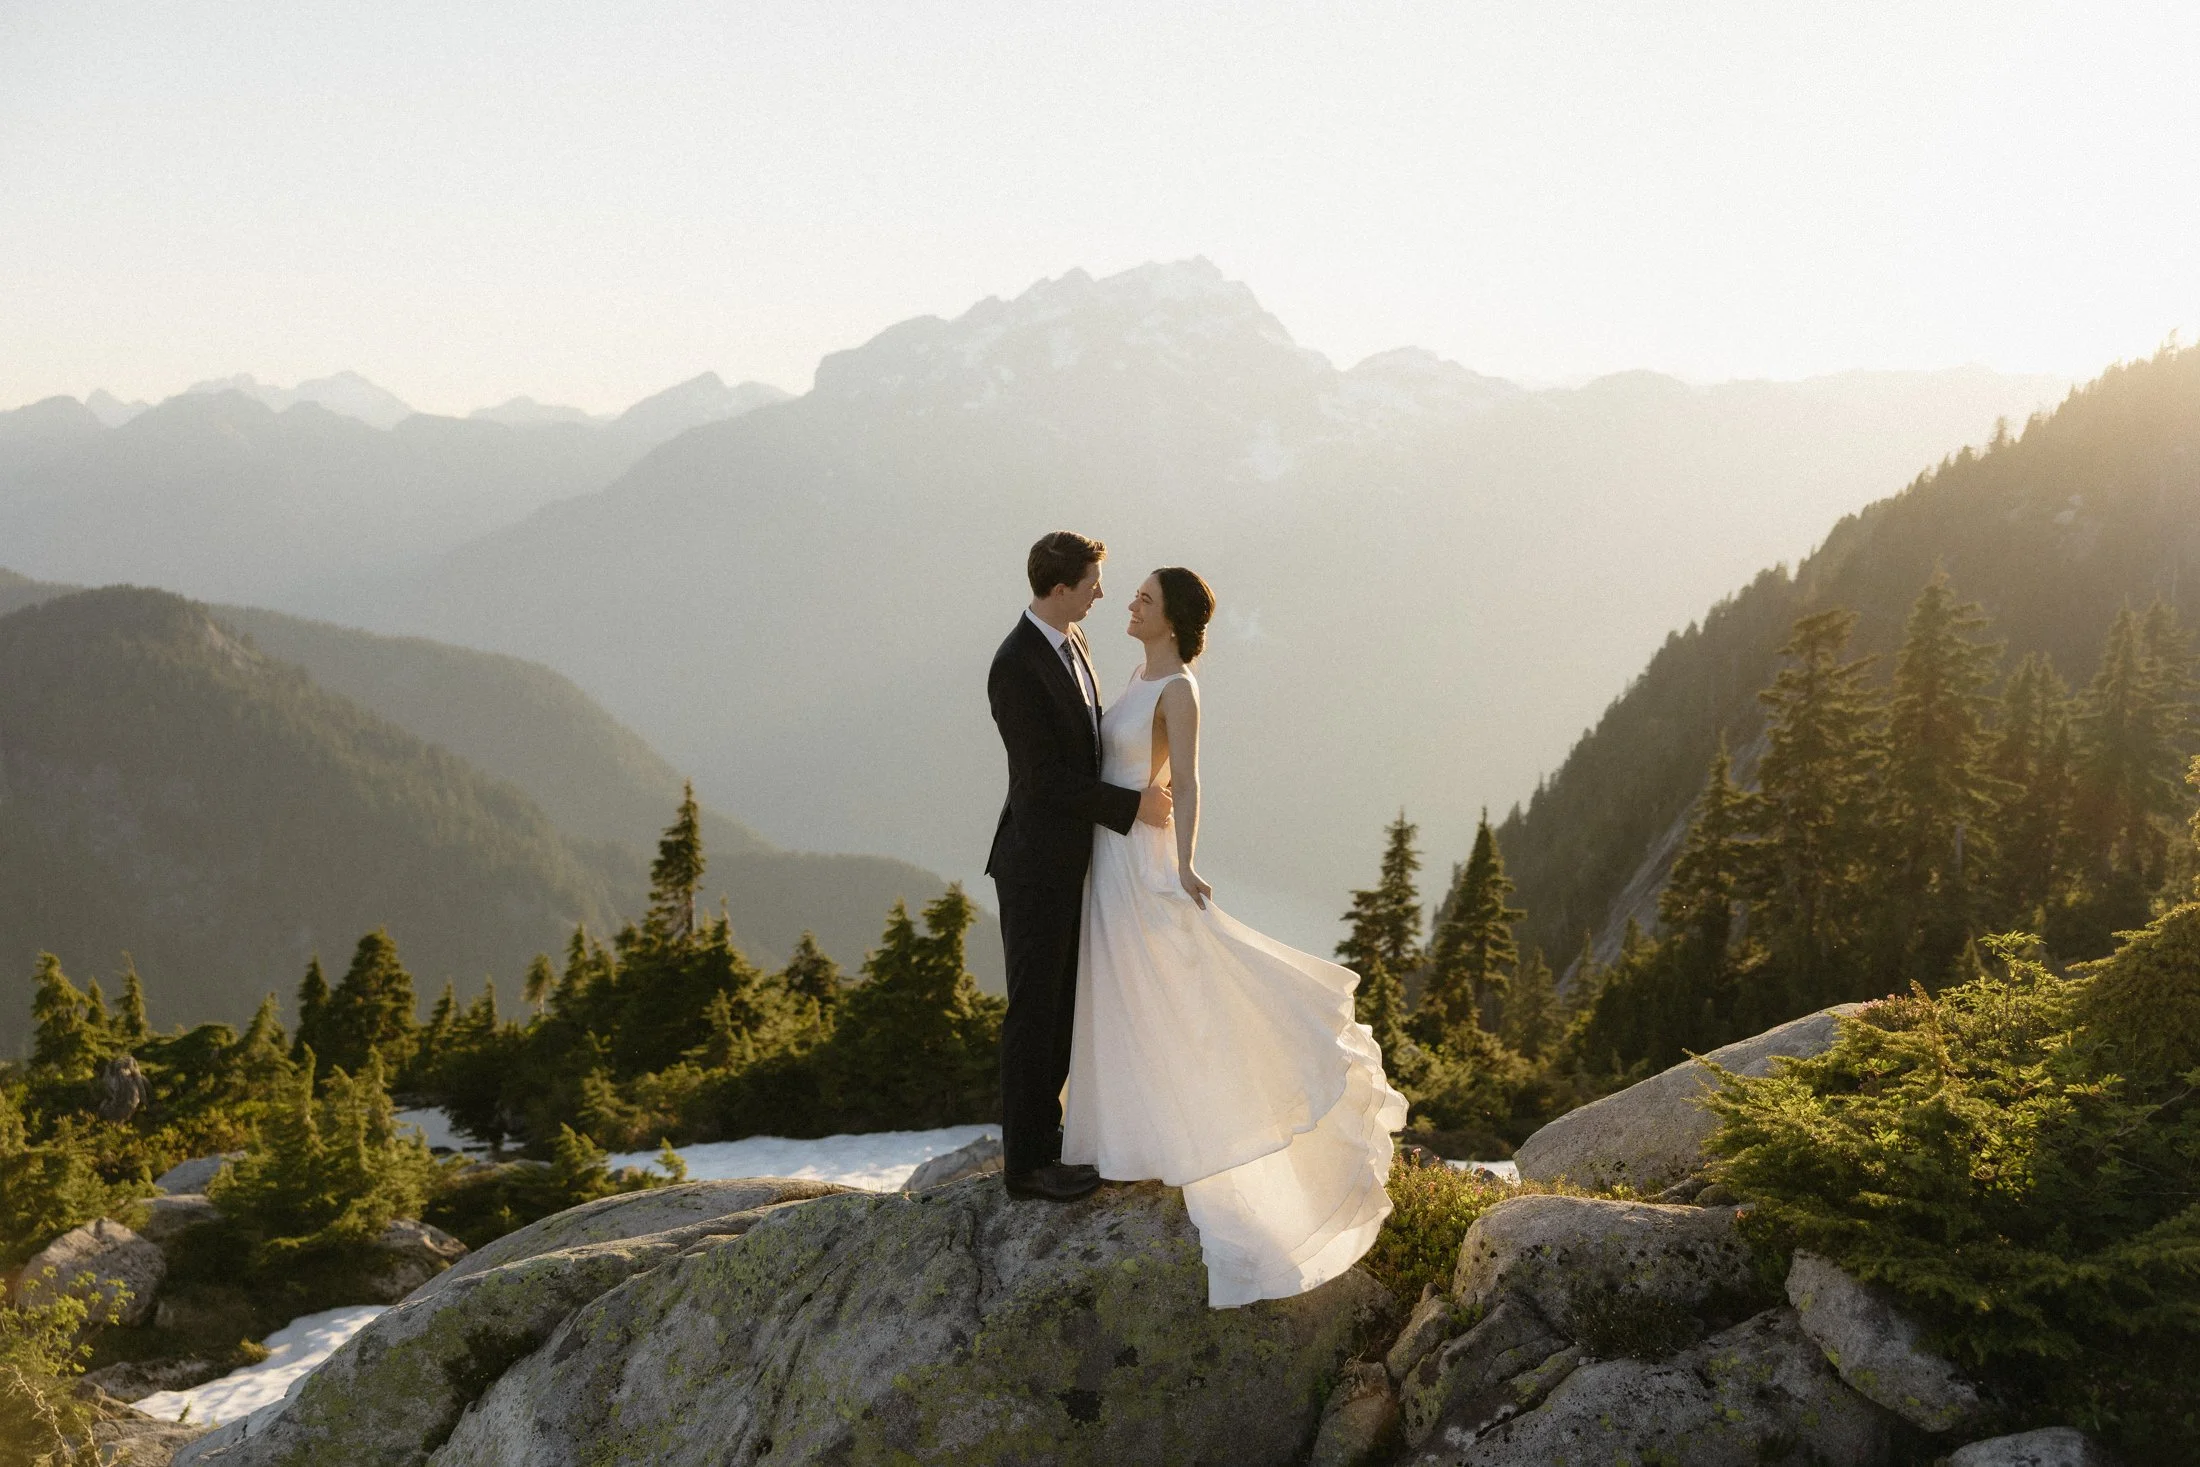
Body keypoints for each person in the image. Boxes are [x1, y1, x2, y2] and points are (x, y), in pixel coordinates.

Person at [1058, 565, 1408, 1308]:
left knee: (1172, 992)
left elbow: (1187, 777)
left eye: (1145, 599)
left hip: (1139, 859)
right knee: (1123, 993)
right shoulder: (1132, 670)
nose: (1130, 602)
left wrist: (1182, 862)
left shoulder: (1179, 687)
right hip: (1109, 854)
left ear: (1174, 618)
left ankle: (1202, 1130)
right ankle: (1121, 1141)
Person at [985, 531, 1173, 1202]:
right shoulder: (1016, 665)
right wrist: (1132, 806)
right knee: (1034, 1012)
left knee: (1061, 1010)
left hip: (1072, 861)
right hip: (1035, 863)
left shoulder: (1075, 646)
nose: (1102, 590)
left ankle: (1050, 1141)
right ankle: (1027, 1165)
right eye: (1093, 580)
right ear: (1059, 588)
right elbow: (1041, 781)